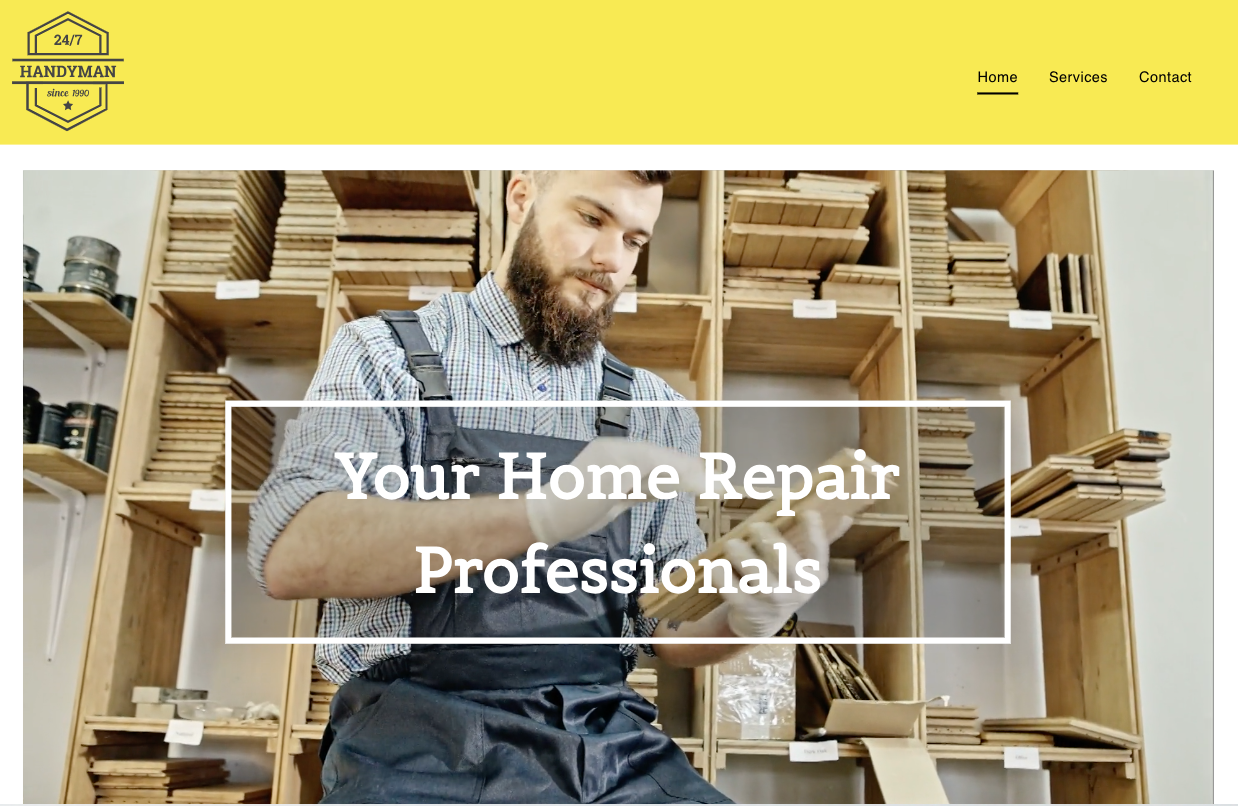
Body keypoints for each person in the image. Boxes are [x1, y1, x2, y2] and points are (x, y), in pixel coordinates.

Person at [248, 170, 851, 804]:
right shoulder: (383, 356)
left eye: (634, 241)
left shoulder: (656, 409)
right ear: (521, 196)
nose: (610, 260)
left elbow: (666, 631)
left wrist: (750, 616)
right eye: (592, 219)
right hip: (416, 747)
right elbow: (290, 552)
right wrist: (538, 512)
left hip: (601, 745)